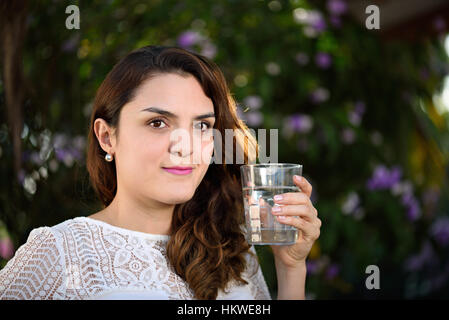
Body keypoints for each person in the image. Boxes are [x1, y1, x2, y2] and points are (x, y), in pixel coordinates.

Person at [0, 45, 321, 300]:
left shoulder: (232, 249)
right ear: (107, 136)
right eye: (158, 123)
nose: (185, 145)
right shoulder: (59, 251)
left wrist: (291, 268)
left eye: (202, 125)